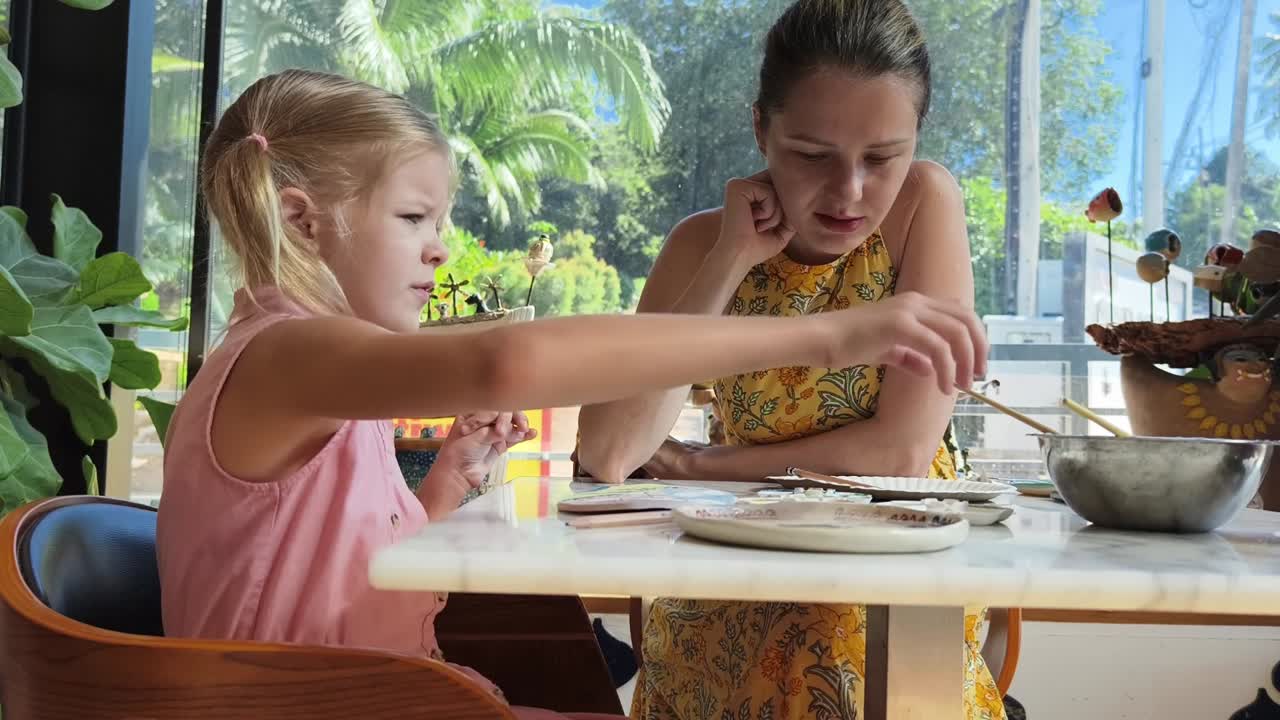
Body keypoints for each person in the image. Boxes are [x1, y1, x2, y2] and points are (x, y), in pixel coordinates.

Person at [154, 69, 987, 719]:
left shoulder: (314, 366)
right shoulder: (287, 354)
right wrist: (835, 334)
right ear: (303, 222)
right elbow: (507, 361)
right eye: (415, 219)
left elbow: (336, 557)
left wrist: (446, 483)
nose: (440, 251)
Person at [576, 0, 1006, 717]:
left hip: (888, 559)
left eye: (881, 157)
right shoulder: (700, 242)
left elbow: (897, 455)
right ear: (760, 131)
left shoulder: (926, 201)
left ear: (916, 139)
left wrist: (701, 466)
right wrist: (728, 261)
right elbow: (610, 450)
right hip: (729, 555)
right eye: (812, 156)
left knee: (825, 646)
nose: (850, 193)